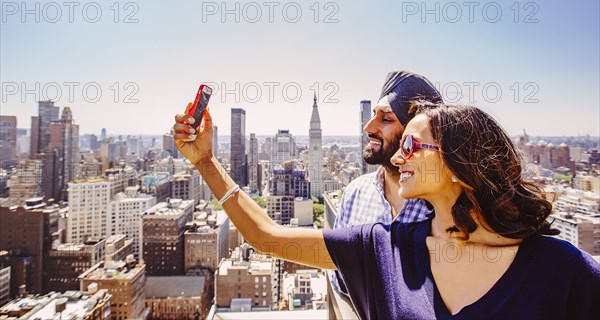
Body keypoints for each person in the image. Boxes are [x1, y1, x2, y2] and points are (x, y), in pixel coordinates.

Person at [173, 102, 600, 319]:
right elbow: (266, 237)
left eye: (413, 145)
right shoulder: (383, 249)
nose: (398, 158)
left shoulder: (562, 270)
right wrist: (206, 162)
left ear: (459, 163)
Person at [332, 70, 442, 301]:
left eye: (386, 118)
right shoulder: (356, 193)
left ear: (416, 133)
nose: (368, 127)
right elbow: (341, 282)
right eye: (373, 115)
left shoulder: (445, 205)